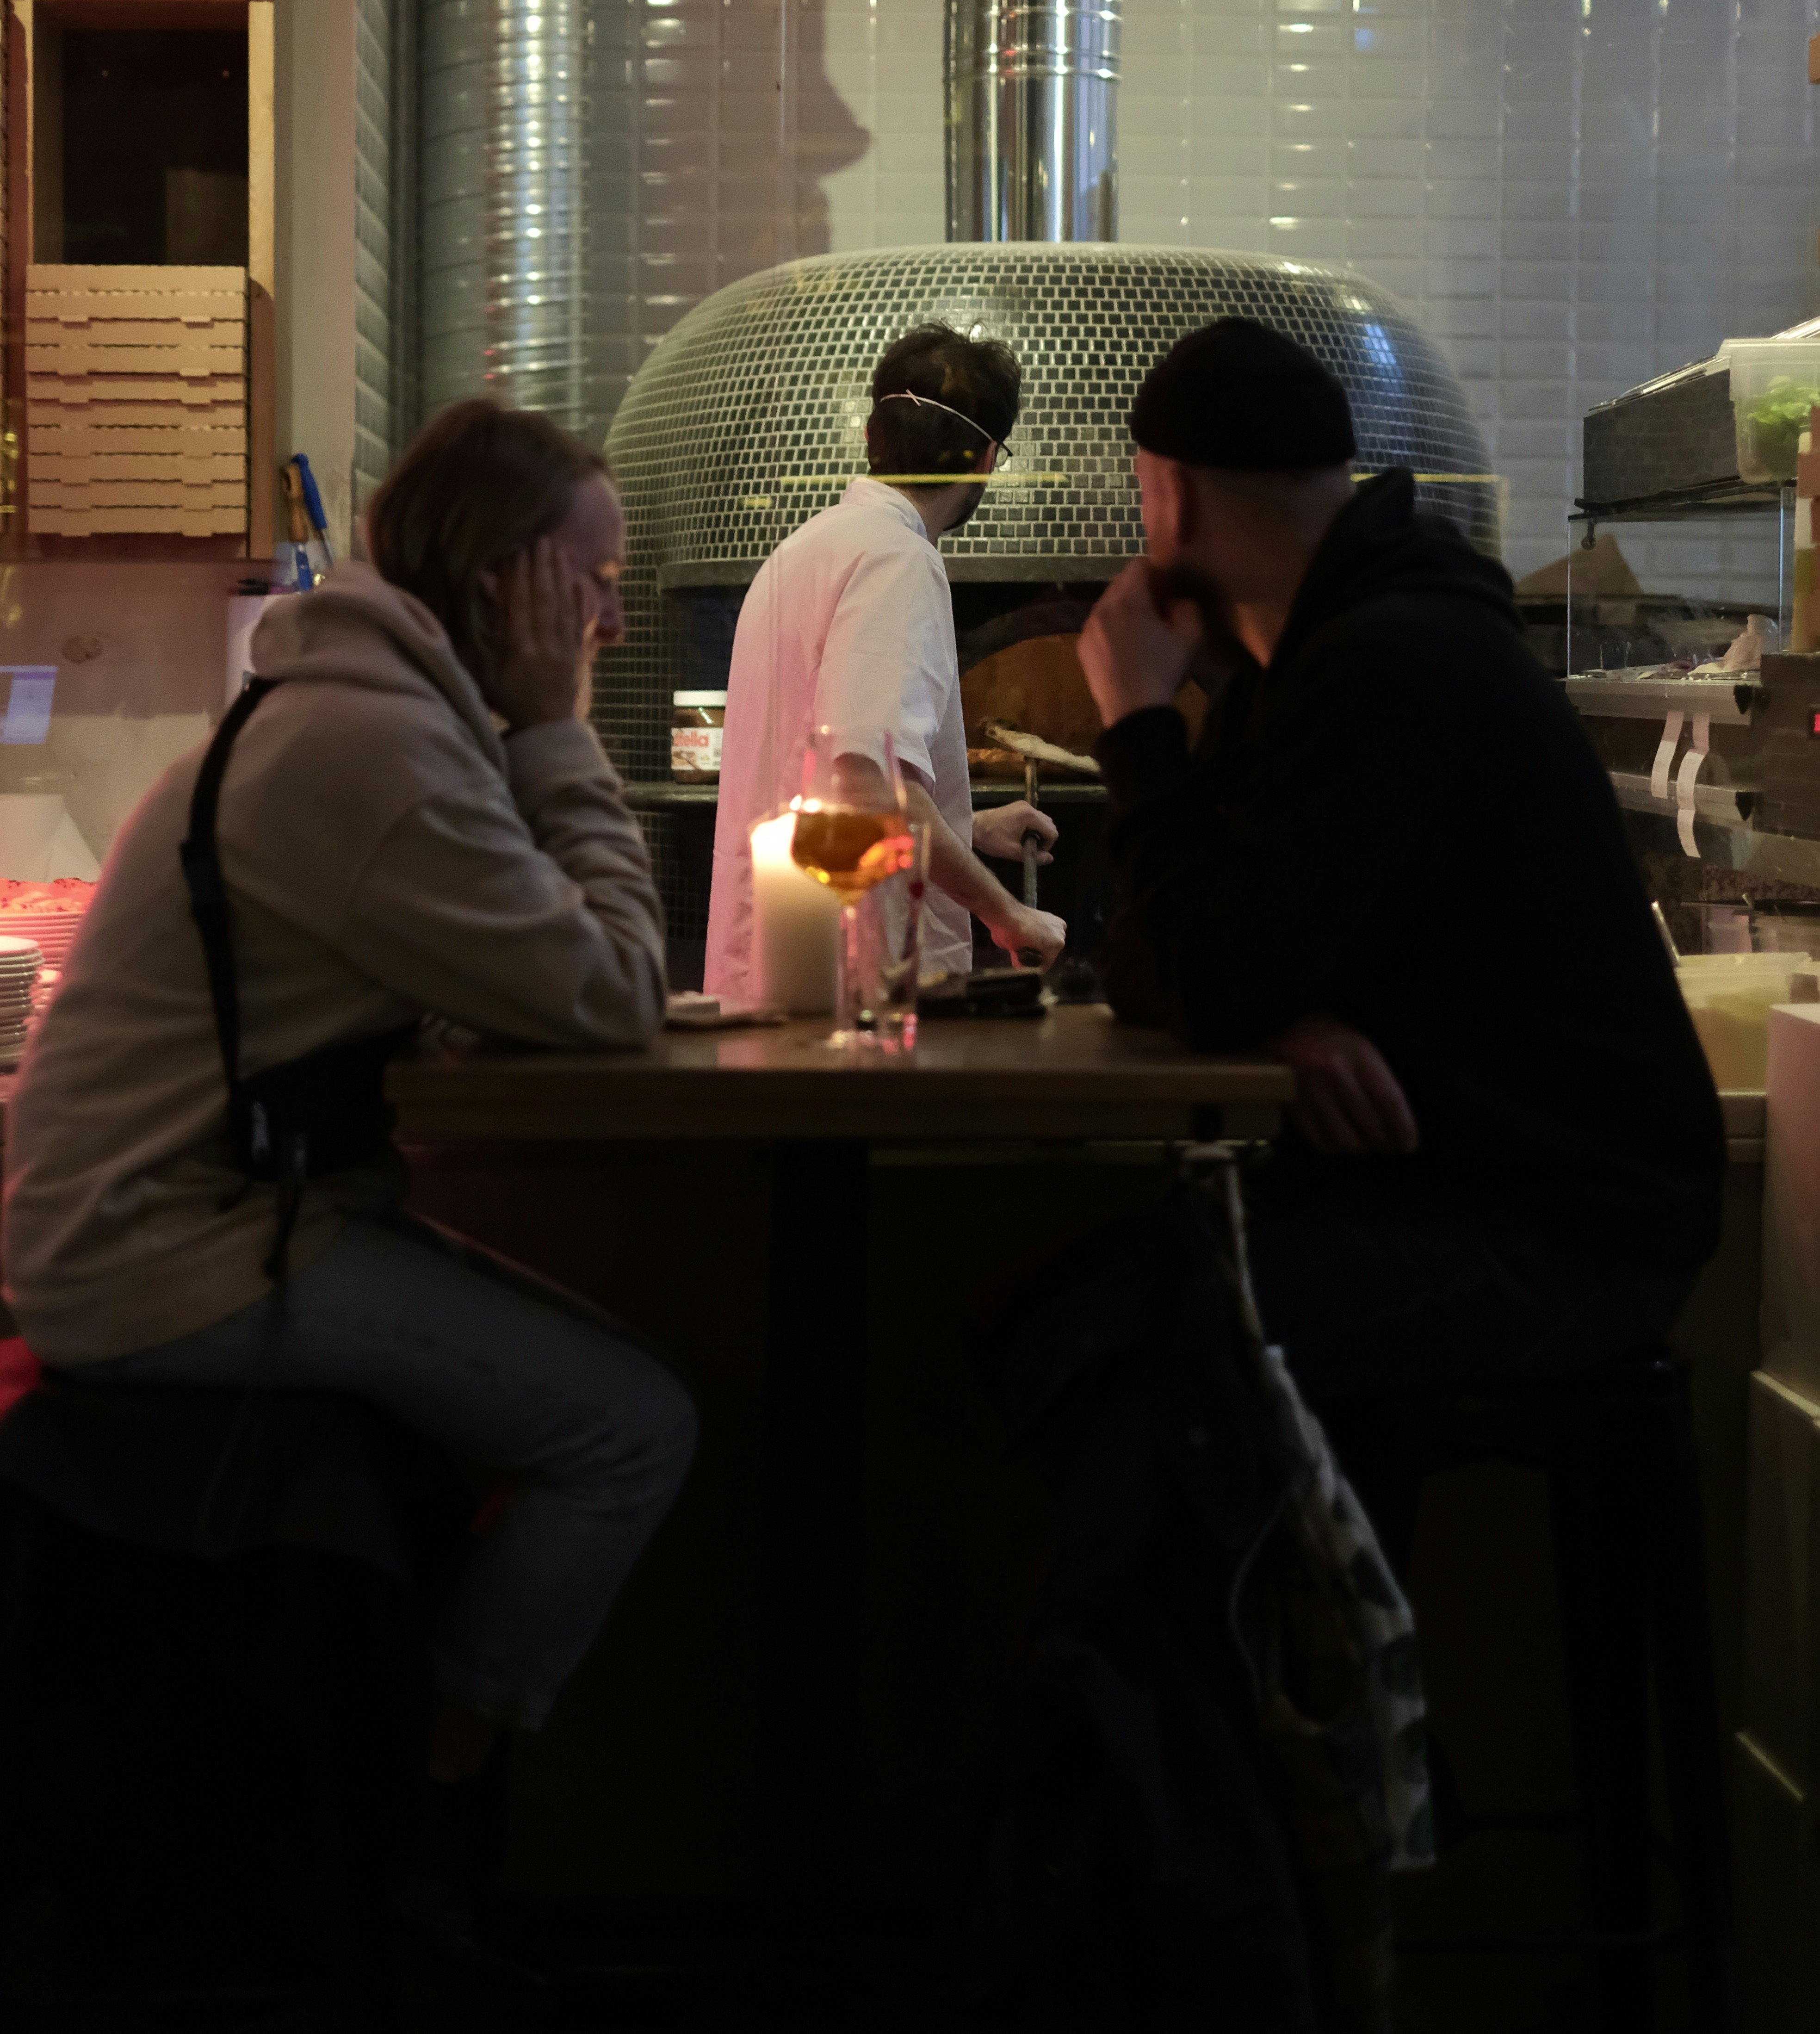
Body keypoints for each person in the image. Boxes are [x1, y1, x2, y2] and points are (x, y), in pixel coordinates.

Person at [1, 399, 697, 1801]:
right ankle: (418, 1818)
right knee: (632, 1427)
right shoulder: (376, 753)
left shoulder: (365, 718)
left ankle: (391, 1793)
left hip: (181, 1220)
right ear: (508, 579)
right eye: (599, 584)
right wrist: (560, 729)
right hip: (152, 1251)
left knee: (608, 1390)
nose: (611, 624)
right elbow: (617, 987)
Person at [1078, 316, 1723, 1542]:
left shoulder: (1392, 664)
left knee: (1161, 1324)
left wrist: (1134, 722)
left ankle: (1272, 1727)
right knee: (1114, 1299)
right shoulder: (1304, 664)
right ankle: (1209, 1724)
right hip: (1467, 1190)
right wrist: (1286, 1015)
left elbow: (1208, 973)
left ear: (1166, 497)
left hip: (1563, 1231)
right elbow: (1151, 960)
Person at [707, 321, 1066, 1005]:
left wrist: (966, 827)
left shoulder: (804, 550)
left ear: (873, 436)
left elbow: (825, 773)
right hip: (847, 995)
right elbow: (871, 787)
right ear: (986, 459)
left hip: (777, 976)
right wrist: (1008, 913)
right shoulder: (897, 559)